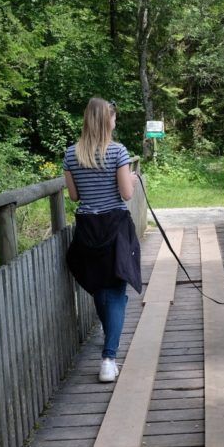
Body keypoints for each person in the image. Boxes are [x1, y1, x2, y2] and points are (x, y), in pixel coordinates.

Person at [63, 98, 141, 383]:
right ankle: (109, 358)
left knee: (98, 285)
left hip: (87, 228)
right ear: (106, 121)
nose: (115, 122)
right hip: (114, 226)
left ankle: (109, 344)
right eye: (114, 118)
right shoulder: (118, 151)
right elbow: (126, 194)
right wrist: (131, 179)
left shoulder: (71, 154)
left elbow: (74, 196)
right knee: (117, 290)